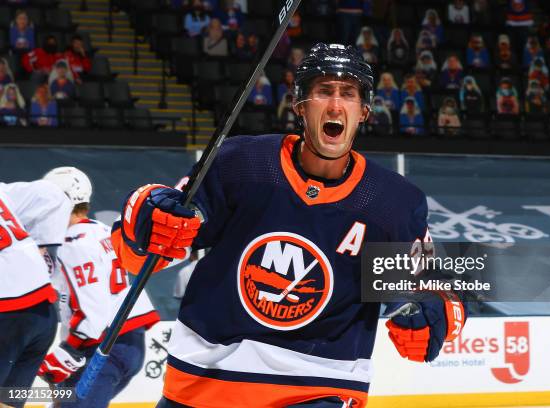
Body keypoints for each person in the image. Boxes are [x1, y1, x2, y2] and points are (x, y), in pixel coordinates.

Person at [111, 43, 466, 407]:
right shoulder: (241, 163)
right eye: (323, 91)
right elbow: (142, 254)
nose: (335, 105)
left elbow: (435, 289)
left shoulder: (392, 203)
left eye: (348, 94)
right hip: (202, 383)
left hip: (318, 386)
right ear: (299, 105)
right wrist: (146, 220)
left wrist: (433, 309)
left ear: (364, 111)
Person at [37, 167, 161, 407]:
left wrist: (69, 353)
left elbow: (92, 313)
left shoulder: (73, 245)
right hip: (125, 343)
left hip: (102, 348)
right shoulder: (101, 231)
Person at [0, 175, 72, 408]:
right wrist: (44, 245)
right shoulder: (3, 192)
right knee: (8, 401)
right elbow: (53, 195)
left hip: (7, 313)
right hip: (43, 312)